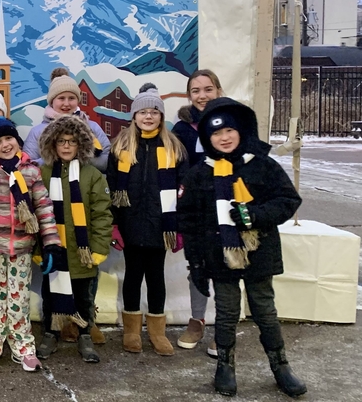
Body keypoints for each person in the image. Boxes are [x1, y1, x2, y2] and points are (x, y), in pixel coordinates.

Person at [178, 98, 306, 398]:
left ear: (241, 131)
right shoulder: (199, 174)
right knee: (226, 313)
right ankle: (225, 366)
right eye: (215, 134)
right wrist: (196, 264)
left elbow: (288, 200)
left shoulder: (261, 164)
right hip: (220, 256)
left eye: (229, 131)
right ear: (207, 139)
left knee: (265, 310)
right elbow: (190, 221)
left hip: (259, 252)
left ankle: (280, 365)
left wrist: (256, 215)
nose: (224, 138)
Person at [0, 118, 61, 372]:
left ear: (17, 140)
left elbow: (43, 208)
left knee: (19, 300)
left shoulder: (30, 170)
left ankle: (23, 347)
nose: (5, 145)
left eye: (9, 139)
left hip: (22, 248)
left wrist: (51, 243)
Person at [108, 85, 187, 356]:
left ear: (161, 117)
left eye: (154, 112)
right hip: (130, 223)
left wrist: (178, 226)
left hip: (160, 226)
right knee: (132, 276)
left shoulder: (173, 146)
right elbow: (111, 185)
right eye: (143, 111)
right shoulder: (121, 146)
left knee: (156, 278)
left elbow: (182, 188)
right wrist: (115, 224)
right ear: (134, 116)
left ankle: (157, 331)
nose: (149, 116)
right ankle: (131, 330)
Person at [36, 116, 113, 363]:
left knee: (83, 297)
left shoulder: (92, 175)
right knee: (50, 294)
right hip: (54, 251)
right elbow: (37, 212)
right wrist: (40, 248)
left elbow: (102, 214)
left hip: (84, 252)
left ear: (81, 144)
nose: (67, 146)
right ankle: (50, 332)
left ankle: (84, 335)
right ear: (52, 145)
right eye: (61, 141)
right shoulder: (43, 173)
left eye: (72, 141)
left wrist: (99, 248)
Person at [172, 69, 224, 355]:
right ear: (189, 94)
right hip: (197, 204)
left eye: (208, 89)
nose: (202, 95)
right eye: (196, 91)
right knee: (198, 265)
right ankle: (197, 320)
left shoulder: (232, 121)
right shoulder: (182, 129)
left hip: (227, 202)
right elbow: (180, 167)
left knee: (227, 265)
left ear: (218, 90)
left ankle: (224, 326)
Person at [24, 68, 110, 172]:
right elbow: (28, 167)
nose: (66, 103)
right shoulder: (37, 132)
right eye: (61, 98)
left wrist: (80, 156)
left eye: (71, 98)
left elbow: (108, 161)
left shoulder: (92, 127)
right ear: (52, 101)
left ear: (78, 100)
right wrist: (55, 157)